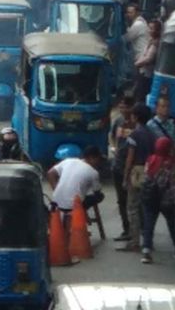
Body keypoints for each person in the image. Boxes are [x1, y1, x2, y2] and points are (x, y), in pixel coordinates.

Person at [139, 136, 175, 264]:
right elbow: (173, 185)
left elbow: (146, 177)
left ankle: (146, 251)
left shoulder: (150, 160)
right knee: (172, 224)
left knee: (149, 225)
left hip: (150, 198)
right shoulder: (169, 163)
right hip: (166, 199)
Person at [116, 104, 155, 252]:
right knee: (146, 207)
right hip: (150, 171)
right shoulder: (152, 134)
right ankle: (147, 240)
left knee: (132, 207)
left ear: (136, 117)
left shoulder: (134, 135)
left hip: (137, 172)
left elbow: (130, 158)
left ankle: (134, 241)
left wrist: (125, 176)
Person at [46, 146, 105, 214]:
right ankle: (82, 211)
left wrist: (56, 189)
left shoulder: (69, 161)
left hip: (55, 203)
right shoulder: (93, 172)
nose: (99, 162)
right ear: (92, 158)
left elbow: (50, 173)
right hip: (73, 206)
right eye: (98, 159)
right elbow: (97, 191)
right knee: (100, 196)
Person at [109, 96, 135, 241]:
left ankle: (136, 227)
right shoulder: (118, 121)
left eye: (125, 107)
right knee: (122, 200)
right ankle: (126, 229)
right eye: (121, 107)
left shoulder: (136, 122)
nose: (122, 110)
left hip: (132, 167)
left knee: (134, 199)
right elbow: (112, 136)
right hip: (118, 165)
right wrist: (114, 147)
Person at [126, 4, 155, 102]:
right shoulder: (140, 23)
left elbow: (127, 38)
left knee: (139, 83)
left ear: (137, 13)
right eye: (128, 12)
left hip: (141, 58)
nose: (128, 14)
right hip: (142, 56)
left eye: (131, 12)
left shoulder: (138, 25)